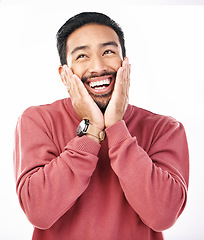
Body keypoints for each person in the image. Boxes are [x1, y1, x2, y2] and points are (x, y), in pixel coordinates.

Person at [13, 12, 189, 240]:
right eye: (82, 56)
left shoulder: (164, 128)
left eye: (108, 52)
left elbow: (163, 216)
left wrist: (116, 126)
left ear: (125, 62)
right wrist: (92, 130)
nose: (97, 66)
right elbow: (39, 211)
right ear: (65, 73)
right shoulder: (37, 120)